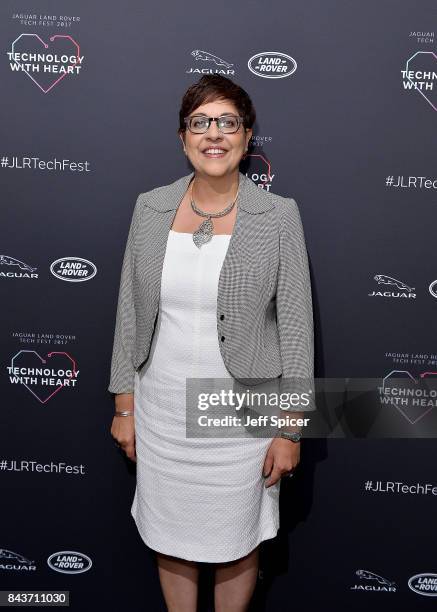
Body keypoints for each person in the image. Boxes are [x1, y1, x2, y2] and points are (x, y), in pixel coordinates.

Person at [108, 74, 315, 612]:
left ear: (247, 139)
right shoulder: (149, 208)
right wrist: (124, 406)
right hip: (162, 410)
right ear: (183, 137)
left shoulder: (278, 216)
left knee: (235, 542)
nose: (214, 134)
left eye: (228, 122)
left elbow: (294, 328)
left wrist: (289, 428)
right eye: (201, 122)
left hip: (240, 417)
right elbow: (129, 314)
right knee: (171, 539)